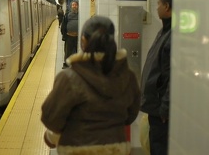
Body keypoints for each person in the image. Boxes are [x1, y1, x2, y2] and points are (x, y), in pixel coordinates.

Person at [41, 15, 141, 154]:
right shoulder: (127, 76)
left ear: (83, 41)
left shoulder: (69, 78)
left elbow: (51, 118)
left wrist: (53, 135)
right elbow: (131, 115)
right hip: (116, 148)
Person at [140, 0, 172, 155]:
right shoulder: (164, 31)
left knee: (159, 149)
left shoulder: (173, 35)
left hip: (162, 112)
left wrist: (165, 109)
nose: (157, 7)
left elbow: (172, 78)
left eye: (159, 3)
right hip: (156, 108)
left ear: (166, 6)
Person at [61, 0, 79, 68]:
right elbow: (63, 26)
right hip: (69, 36)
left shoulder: (80, 14)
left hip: (78, 37)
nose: (74, 6)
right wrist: (64, 34)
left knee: (78, 51)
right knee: (68, 52)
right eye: (73, 5)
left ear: (78, 6)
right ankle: (66, 64)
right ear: (71, 6)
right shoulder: (67, 15)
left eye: (76, 5)